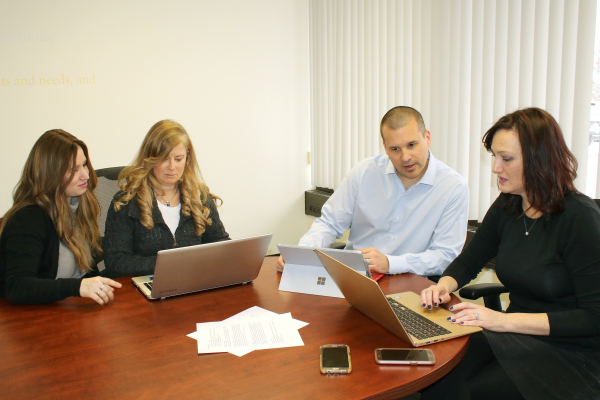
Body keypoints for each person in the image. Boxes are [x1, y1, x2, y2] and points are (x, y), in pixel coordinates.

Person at [420, 108, 600, 400]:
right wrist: (444, 285)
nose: (495, 168)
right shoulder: (509, 204)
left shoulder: (580, 218)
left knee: (469, 391)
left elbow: (595, 318)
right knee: (437, 371)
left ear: (540, 160)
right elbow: (470, 260)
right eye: (494, 156)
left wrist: (501, 320)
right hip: (511, 332)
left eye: (506, 159)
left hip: (569, 349)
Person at [277, 106, 469, 277]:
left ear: (427, 137)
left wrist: (391, 263)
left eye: (412, 145)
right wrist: (302, 253)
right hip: (354, 277)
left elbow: (445, 256)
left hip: (409, 283)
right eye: (395, 149)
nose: (405, 157)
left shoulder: (453, 187)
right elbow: (329, 223)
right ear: (385, 147)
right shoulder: (364, 172)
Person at [0, 129, 122, 305]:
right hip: (31, 316)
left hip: (70, 308)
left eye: (85, 165)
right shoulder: (27, 220)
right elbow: (17, 286)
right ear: (50, 174)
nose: (86, 175)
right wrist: (77, 287)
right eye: (73, 170)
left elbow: (87, 271)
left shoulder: (79, 205)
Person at [103, 120, 230, 278]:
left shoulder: (200, 196)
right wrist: (168, 264)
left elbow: (220, 243)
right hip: (144, 287)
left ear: (187, 158)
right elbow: (116, 261)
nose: (172, 167)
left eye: (178, 159)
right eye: (164, 159)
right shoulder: (127, 202)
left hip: (193, 282)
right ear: (150, 158)